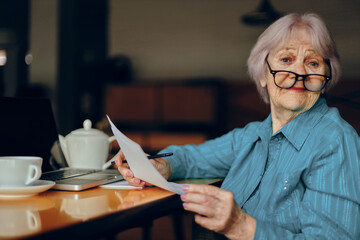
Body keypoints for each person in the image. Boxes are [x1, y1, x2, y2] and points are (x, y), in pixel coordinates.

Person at [115, 12, 360, 239]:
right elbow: (193, 158)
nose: (299, 71)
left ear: (325, 79)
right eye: (286, 59)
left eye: (313, 63)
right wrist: (162, 165)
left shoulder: (335, 141)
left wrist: (240, 226)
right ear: (263, 75)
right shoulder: (253, 135)